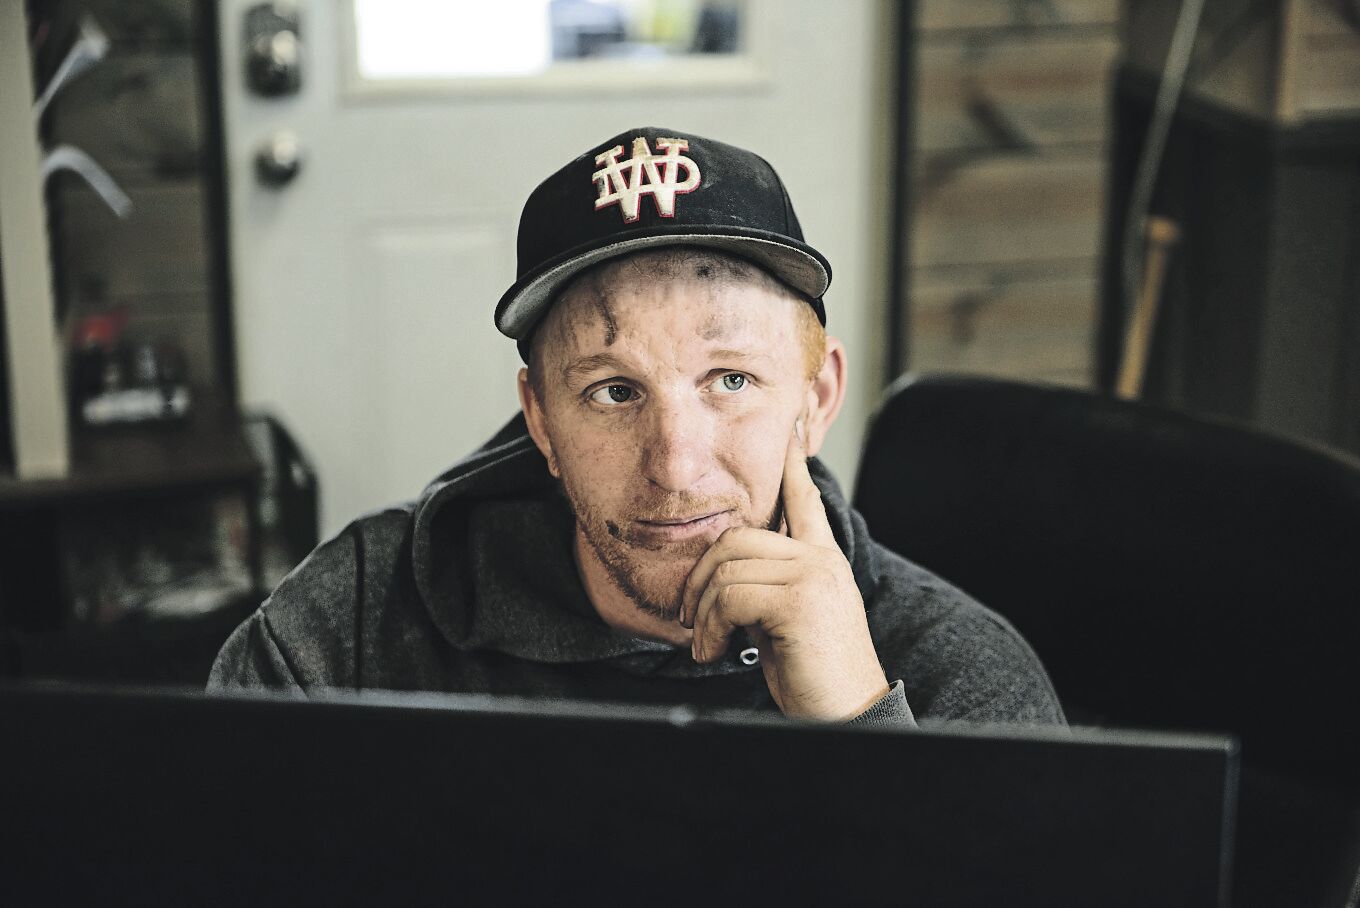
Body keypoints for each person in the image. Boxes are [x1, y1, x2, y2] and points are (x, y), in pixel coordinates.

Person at [209, 127, 1065, 728]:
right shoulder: (356, 629)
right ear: (538, 419)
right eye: (614, 392)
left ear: (817, 396)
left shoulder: (962, 679)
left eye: (730, 380)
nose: (677, 465)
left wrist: (861, 730)